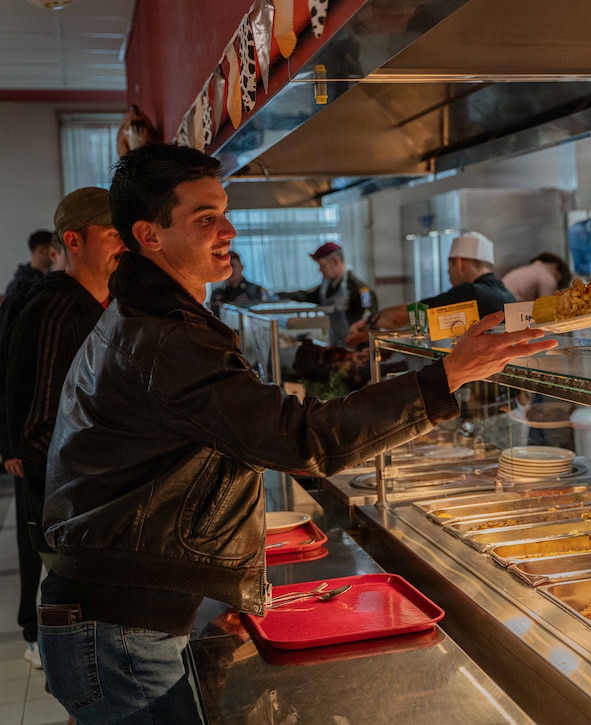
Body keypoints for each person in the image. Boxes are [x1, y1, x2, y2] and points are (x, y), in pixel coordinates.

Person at [36, 143, 556, 723]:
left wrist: (216, 588)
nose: (227, 229)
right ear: (149, 235)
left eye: (224, 211)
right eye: (205, 218)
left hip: (120, 614)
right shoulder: (164, 334)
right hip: (121, 627)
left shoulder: (148, 317)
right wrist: (447, 375)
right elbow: (299, 440)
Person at [1, 187, 123, 670]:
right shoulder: (53, 313)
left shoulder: (103, 305)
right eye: (113, 234)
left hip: (95, 514)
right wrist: (121, 461)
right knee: (90, 659)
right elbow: (37, 431)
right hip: (69, 518)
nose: (125, 246)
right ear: (74, 240)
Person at [346, 231, 515, 344]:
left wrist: (369, 323)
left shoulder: (471, 292)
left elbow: (405, 316)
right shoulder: (506, 294)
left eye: (449, 266)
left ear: (458, 262)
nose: (448, 273)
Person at [279, 241, 377, 345]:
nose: (320, 270)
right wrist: (278, 296)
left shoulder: (359, 289)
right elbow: (307, 296)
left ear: (335, 261)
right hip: (335, 343)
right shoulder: (325, 287)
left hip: (355, 347)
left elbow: (369, 322)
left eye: (322, 265)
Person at [208, 250, 269, 314]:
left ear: (241, 267)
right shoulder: (217, 293)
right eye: (225, 267)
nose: (230, 270)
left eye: (233, 265)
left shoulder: (255, 290)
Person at [3, 230, 56, 299]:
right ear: (41, 251)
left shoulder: (47, 279)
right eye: (54, 250)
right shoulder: (21, 286)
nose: (57, 254)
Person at [501, 251, 572, 302]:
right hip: (510, 305)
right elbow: (547, 305)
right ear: (555, 266)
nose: (556, 285)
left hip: (500, 303)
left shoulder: (530, 269)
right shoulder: (546, 276)